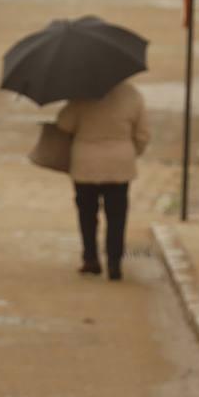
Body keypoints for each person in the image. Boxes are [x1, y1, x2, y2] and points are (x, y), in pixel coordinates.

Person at [55, 82, 151, 281]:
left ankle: (91, 259)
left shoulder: (81, 94)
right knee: (117, 216)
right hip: (119, 165)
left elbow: (63, 124)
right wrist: (130, 152)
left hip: (86, 164)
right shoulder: (132, 95)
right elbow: (143, 134)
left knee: (87, 213)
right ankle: (114, 263)